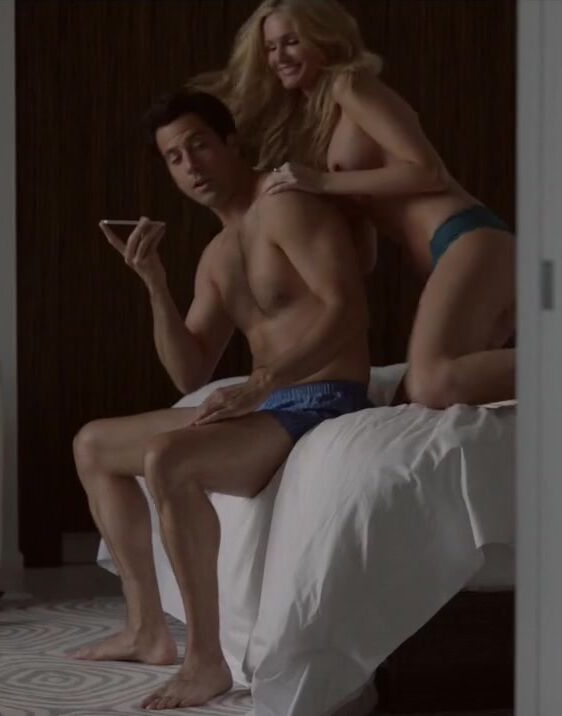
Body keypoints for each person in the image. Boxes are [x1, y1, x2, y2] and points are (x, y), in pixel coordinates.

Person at [69, 89, 372, 710]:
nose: (191, 166)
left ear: (231, 142)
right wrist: (154, 282)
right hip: (269, 407)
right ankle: (146, 629)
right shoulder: (217, 253)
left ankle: (205, 661)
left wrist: (262, 382)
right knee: (93, 443)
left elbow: (348, 312)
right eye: (175, 158)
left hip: (323, 398)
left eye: (199, 145)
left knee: (168, 458)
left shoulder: (286, 207)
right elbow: (190, 370)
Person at [192, 0, 516, 409]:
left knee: (432, 383)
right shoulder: (319, 123)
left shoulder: (350, 86)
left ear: (323, 37)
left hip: (467, 238)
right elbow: (365, 257)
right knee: (411, 401)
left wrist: (321, 182)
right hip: (447, 255)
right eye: (271, 48)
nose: (279, 57)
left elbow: (428, 171)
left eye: (291, 41)